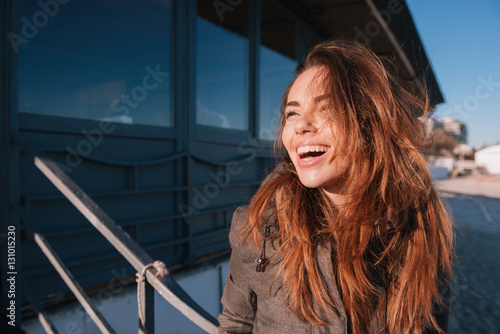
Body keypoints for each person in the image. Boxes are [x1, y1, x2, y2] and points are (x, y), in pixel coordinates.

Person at [218, 40, 453, 334]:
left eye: (327, 108)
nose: (301, 125)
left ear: (371, 123)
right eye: (292, 113)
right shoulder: (257, 226)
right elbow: (236, 321)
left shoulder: (421, 229)